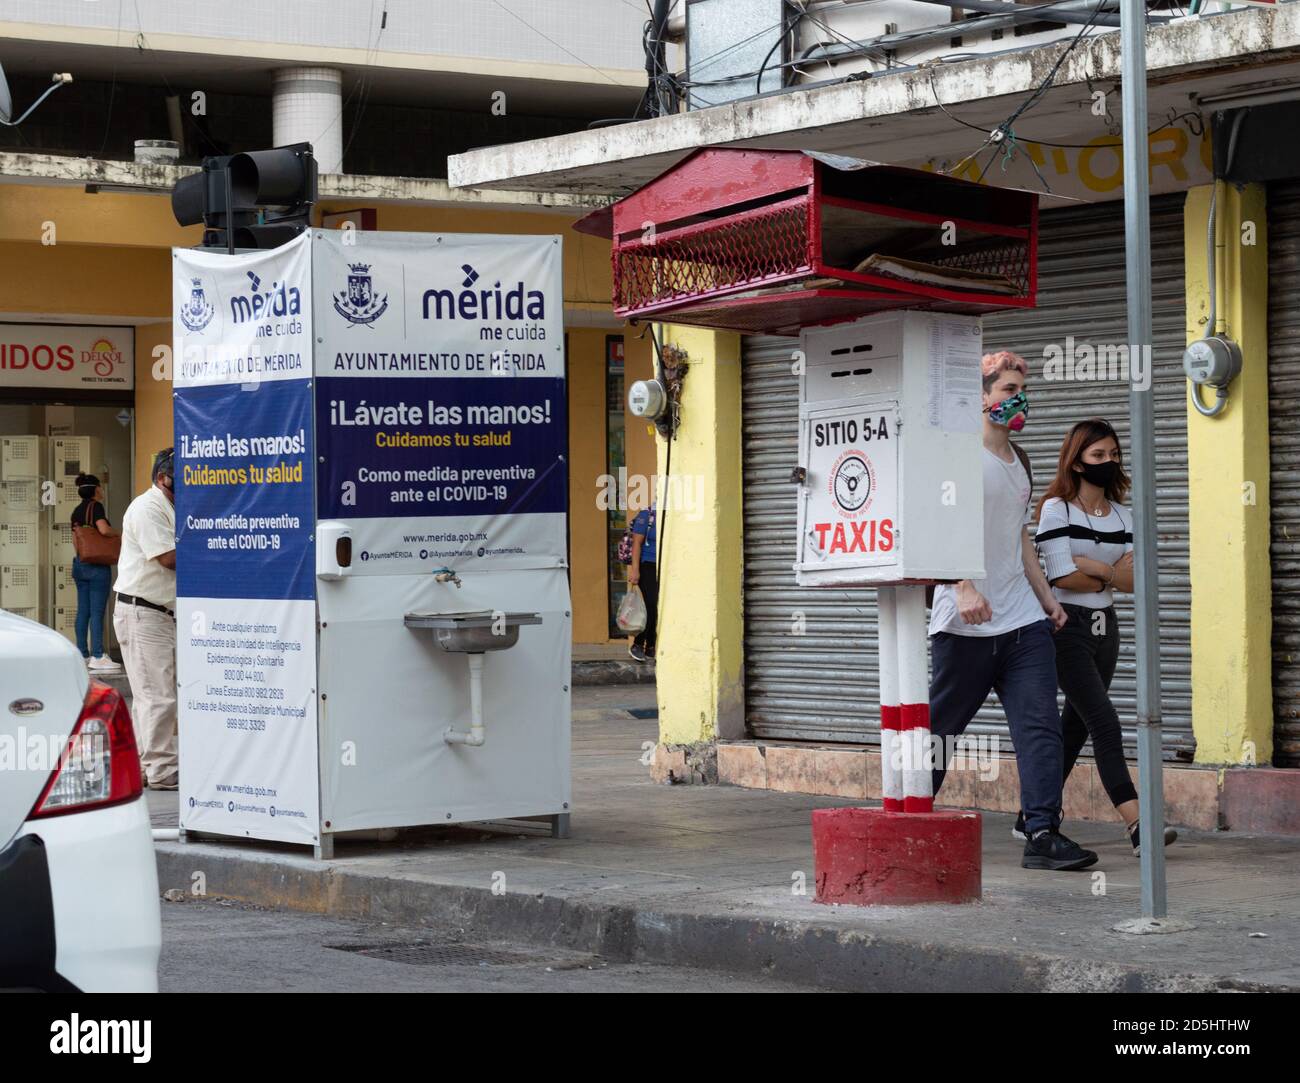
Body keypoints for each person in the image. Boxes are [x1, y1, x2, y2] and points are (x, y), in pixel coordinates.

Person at [927, 351, 1098, 871]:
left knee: (1040, 726)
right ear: (981, 397)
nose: (1017, 398)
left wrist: (1047, 598)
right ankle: (909, 811)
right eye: (1007, 389)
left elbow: (1018, 533)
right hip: (967, 620)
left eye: (1021, 388)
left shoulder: (1018, 458)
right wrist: (961, 584)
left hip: (1022, 619)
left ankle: (1042, 832)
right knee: (941, 728)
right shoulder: (953, 456)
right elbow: (934, 527)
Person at [1034, 418, 1178, 858]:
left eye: (1114, 455)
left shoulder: (1123, 514)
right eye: (1099, 456)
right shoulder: (1057, 509)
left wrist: (1095, 569)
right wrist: (1112, 574)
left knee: (1076, 725)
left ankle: (1033, 817)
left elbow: (1138, 580)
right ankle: (1139, 823)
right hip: (1066, 628)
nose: (1109, 463)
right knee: (1103, 719)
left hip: (1105, 628)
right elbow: (1060, 575)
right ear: (1076, 462)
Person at [113, 448, 178, 790]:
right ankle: (163, 770)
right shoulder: (148, 507)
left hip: (158, 613)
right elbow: (167, 558)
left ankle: (140, 765)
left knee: (149, 695)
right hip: (143, 611)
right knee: (158, 695)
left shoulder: (170, 505)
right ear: (162, 477)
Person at [70, 473, 120, 671]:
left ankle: (81, 654)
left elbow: (76, 540)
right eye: (100, 487)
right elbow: (104, 530)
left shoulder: (76, 511)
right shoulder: (96, 507)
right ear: (96, 489)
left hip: (80, 563)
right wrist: (120, 533)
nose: (102, 491)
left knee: (83, 611)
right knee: (97, 612)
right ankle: (98, 655)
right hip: (97, 567)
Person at [627, 501, 658, 663]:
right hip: (648, 566)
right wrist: (635, 570)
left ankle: (651, 646)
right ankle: (638, 644)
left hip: (665, 568)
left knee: (658, 609)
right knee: (648, 606)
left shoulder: (673, 516)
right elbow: (637, 544)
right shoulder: (648, 514)